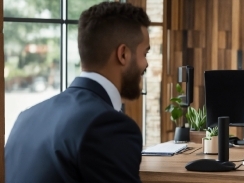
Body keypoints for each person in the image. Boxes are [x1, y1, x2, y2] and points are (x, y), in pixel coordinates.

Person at [5, 2, 150, 182]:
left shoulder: (26, 118)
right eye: (145, 53)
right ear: (123, 55)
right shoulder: (108, 126)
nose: (146, 64)